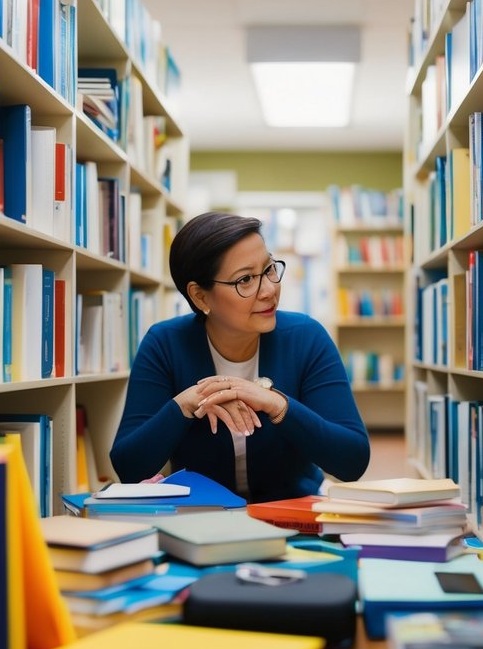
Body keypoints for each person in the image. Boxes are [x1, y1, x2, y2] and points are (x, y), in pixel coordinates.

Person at [110, 212, 370, 501]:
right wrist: (186, 404)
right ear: (200, 297)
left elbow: (353, 461)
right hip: (200, 520)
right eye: (245, 279)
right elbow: (128, 468)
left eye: (269, 268)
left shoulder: (306, 337)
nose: (270, 290)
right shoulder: (164, 344)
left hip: (292, 515)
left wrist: (278, 406)